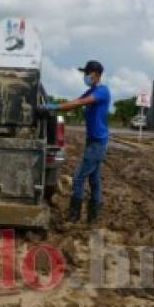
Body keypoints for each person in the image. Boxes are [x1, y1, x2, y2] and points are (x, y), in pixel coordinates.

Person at [56, 60, 111, 224]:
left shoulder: (102, 92)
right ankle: (92, 219)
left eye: (87, 73)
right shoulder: (91, 91)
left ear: (96, 74)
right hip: (92, 141)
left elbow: (80, 103)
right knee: (94, 180)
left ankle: (74, 216)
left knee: (79, 178)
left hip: (97, 143)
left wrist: (55, 108)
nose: (85, 76)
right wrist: (54, 108)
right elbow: (74, 103)